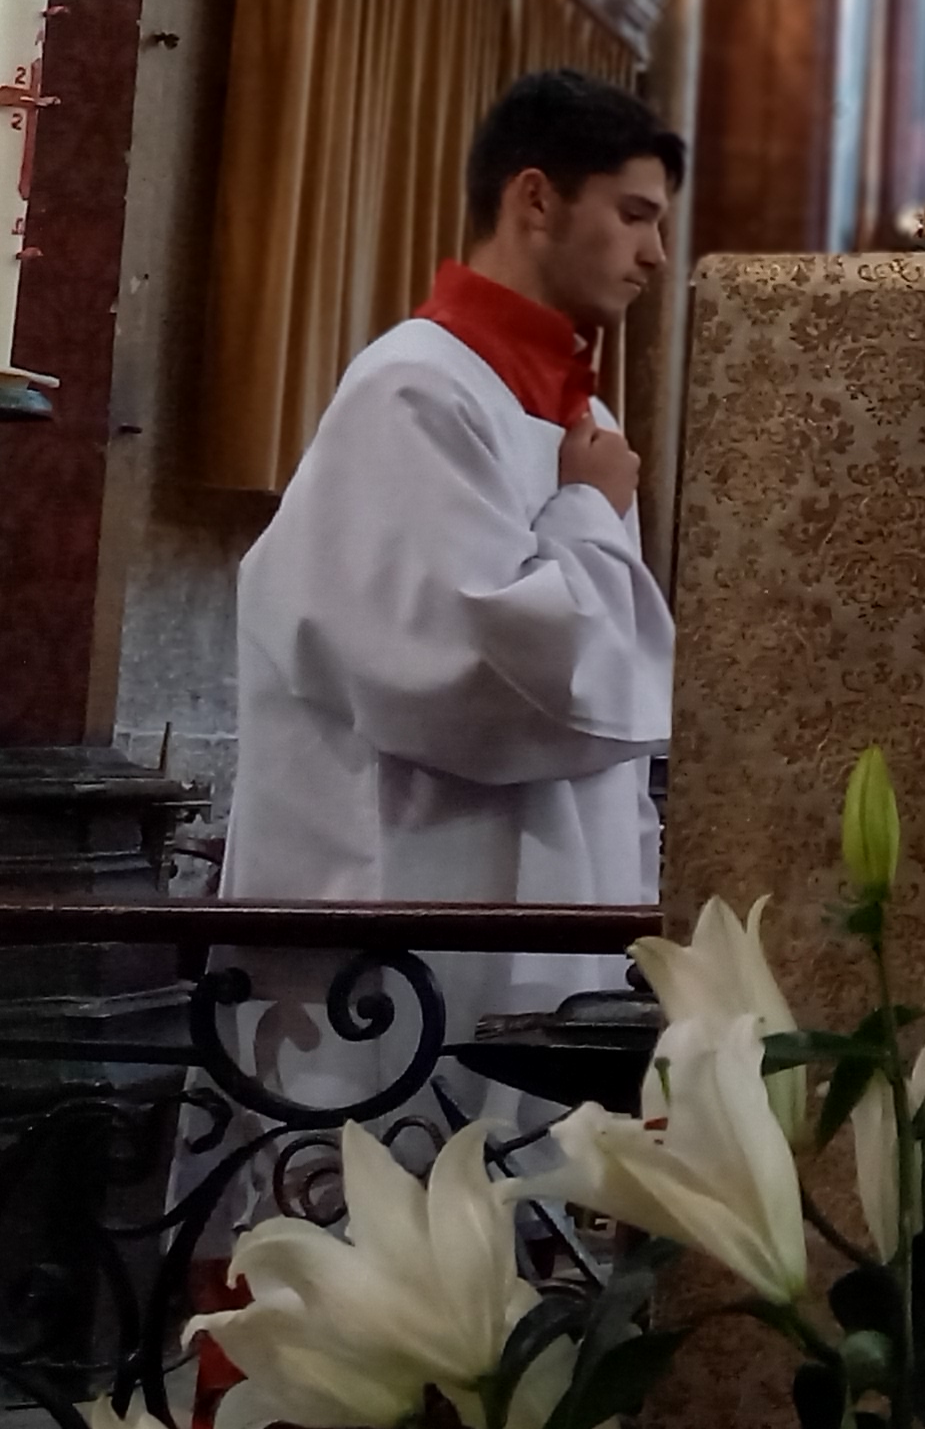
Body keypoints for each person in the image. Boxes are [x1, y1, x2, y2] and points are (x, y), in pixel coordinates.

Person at [225, 68, 680, 1033]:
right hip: (402, 926)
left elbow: (610, 709)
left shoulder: (589, 424)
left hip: (564, 905)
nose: (656, 254)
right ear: (536, 199)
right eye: (635, 215)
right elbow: (479, 681)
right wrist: (588, 512)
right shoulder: (415, 390)